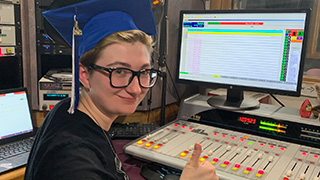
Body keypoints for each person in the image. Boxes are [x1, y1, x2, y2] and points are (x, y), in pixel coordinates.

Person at [24, 0, 219, 180]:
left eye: (144, 72)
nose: (135, 89)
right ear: (84, 74)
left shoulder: (67, 109)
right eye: (119, 71)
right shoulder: (74, 165)